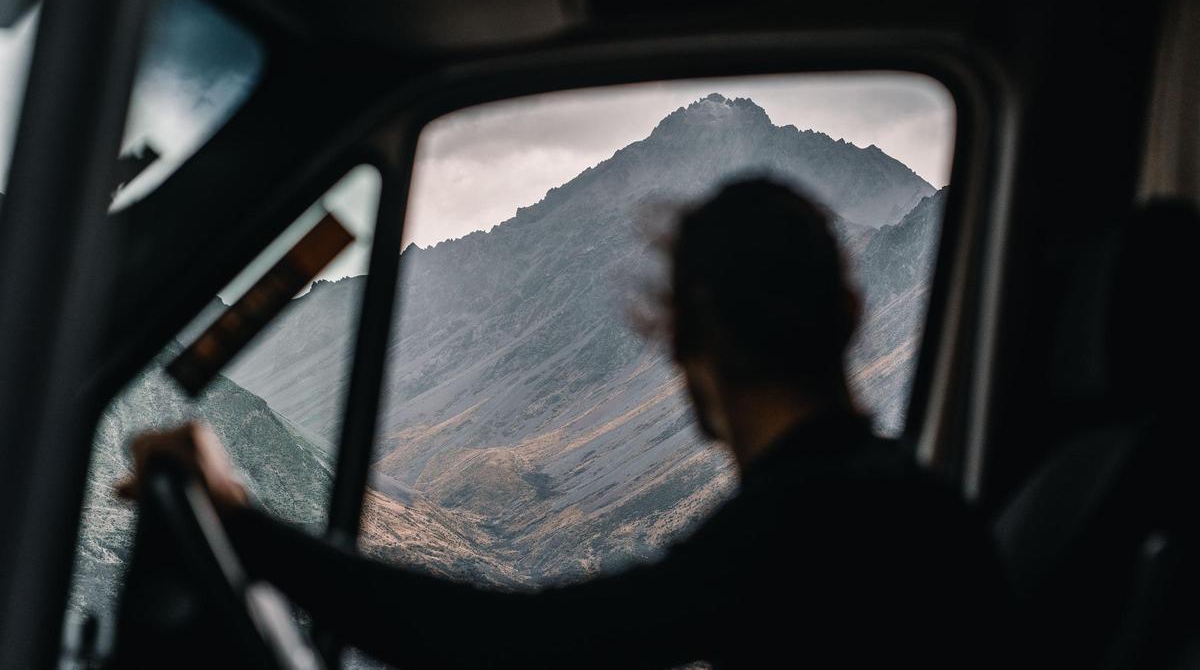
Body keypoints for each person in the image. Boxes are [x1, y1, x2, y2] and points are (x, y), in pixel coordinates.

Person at [119, 178, 1010, 668]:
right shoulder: (910, 506)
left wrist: (237, 519)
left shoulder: (804, 527)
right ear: (852, 311)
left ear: (694, 346)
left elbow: (512, 646)